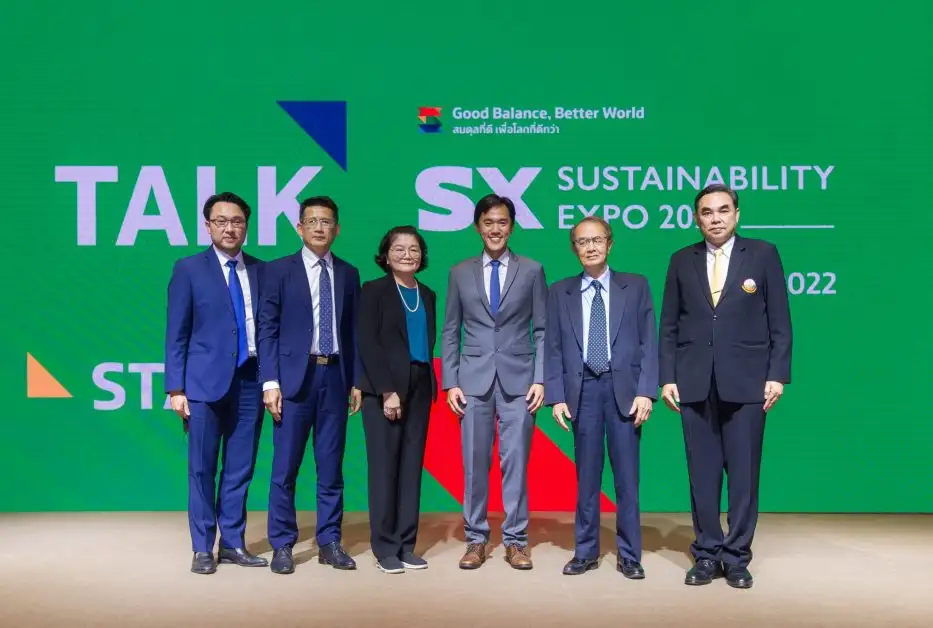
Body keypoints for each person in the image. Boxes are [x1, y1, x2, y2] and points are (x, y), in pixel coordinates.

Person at [659, 183, 792, 589]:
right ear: (696, 219)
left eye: (722, 210)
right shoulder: (681, 260)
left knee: (744, 476)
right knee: (702, 476)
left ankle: (736, 558)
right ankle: (706, 554)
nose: (715, 219)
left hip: (748, 382)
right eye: (706, 212)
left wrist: (776, 374)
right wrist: (667, 376)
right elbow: (669, 325)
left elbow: (780, 321)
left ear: (737, 214)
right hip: (694, 382)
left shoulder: (764, 254)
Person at [543, 217, 658, 579]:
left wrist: (646, 391)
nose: (590, 247)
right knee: (587, 478)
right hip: (582, 392)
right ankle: (585, 552)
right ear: (573, 248)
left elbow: (649, 342)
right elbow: (553, 348)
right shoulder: (559, 291)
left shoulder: (635, 286)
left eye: (597, 240)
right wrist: (556, 397)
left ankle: (630, 555)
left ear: (610, 244)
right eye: (582, 241)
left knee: (627, 479)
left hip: (624, 391)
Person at [441, 193, 547, 570]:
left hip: (520, 383)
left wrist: (540, 379)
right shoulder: (459, 272)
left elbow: (542, 330)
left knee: (515, 463)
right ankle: (476, 539)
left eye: (502, 222)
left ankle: (516, 541)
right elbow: (451, 330)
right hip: (472, 383)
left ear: (512, 227)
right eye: (488, 223)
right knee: (474, 464)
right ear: (477, 227)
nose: (495, 229)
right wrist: (451, 381)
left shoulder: (532, 270)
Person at [164, 191, 268, 574]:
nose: (229, 228)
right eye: (221, 221)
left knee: (240, 468)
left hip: (250, 382)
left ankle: (233, 544)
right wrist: (176, 388)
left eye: (237, 221)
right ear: (208, 226)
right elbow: (176, 333)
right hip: (203, 386)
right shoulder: (189, 269)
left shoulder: (262, 270)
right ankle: (202, 548)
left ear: (247, 226)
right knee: (202, 469)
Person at [257, 195, 362, 575]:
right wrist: (270, 381)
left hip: (335, 377)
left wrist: (356, 380)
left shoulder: (348, 274)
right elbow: (267, 329)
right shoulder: (277, 271)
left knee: (331, 467)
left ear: (337, 229)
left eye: (326, 221)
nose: (320, 227)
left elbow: (353, 331)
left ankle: (329, 541)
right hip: (292, 382)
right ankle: (282, 544)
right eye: (312, 221)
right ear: (300, 228)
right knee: (285, 468)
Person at [356, 226, 437, 574]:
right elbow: (368, 343)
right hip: (385, 388)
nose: (407, 255)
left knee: (410, 467)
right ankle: (385, 547)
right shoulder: (373, 291)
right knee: (384, 467)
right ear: (386, 255)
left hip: (420, 385)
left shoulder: (428, 294)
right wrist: (387, 391)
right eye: (399, 248)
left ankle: (406, 544)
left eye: (414, 249)